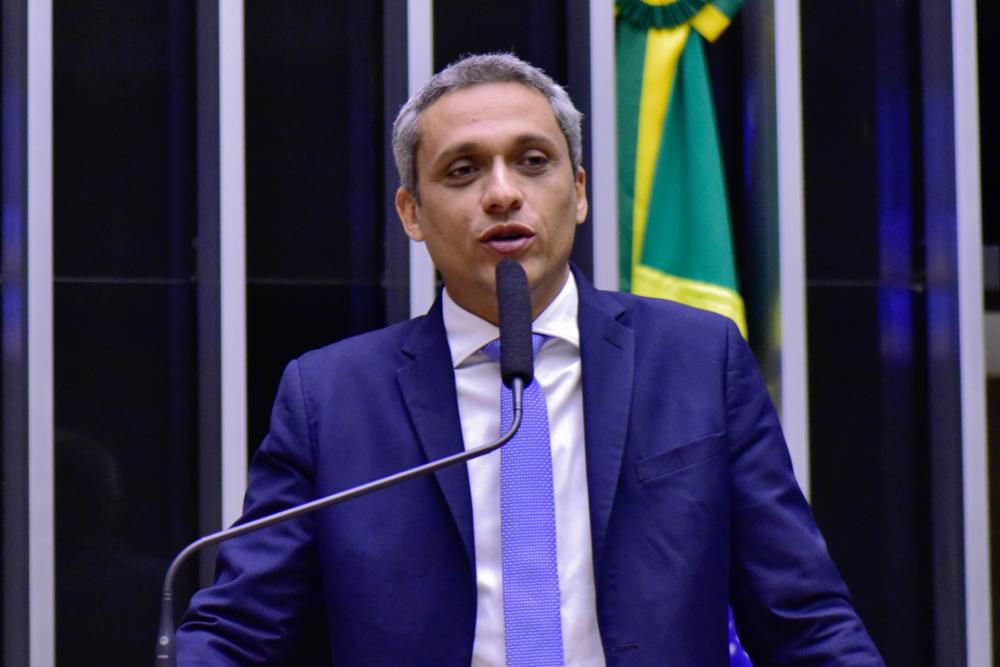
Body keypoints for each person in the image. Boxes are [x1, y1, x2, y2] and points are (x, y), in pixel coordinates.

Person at [178, 53, 883, 665]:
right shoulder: (332, 398)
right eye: (463, 170)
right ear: (412, 213)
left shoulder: (698, 360)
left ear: (578, 192)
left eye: (533, 161)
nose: (503, 192)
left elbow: (803, 617)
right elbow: (239, 630)